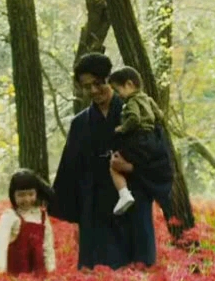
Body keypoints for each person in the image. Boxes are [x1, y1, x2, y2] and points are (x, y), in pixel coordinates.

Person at [50, 53, 174, 270]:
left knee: (137, 275)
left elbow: (161, 159)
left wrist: (130, 167)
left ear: (111, 79)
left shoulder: (138, 113)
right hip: (95, 211)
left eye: (99, 83)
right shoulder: (80, 124)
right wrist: (77, 220)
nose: (94, 91)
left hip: (133, 203)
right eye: (87, 87)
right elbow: (71, 174)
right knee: (99, 278)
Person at [106, 66, 166, 216]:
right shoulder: (148, 99)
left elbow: (134, 118)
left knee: (114, 162)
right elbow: (159, 115)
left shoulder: (132, 102)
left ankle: (124, 194)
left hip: (138, 138)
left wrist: (122, 128)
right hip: (150, 139)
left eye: (117, 89)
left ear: (129, 85)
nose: (118, 95)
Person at [0, 169, 58, 276]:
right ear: (13, 195)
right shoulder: (9, 216)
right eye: (21, 195)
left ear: (37, 193)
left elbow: (48, 246)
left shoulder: (42, 216)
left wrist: (51, 270)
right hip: (15, 280)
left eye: (31, 194)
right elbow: (0, 245)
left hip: (40, 278)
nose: (26, 199)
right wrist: (0, 272)